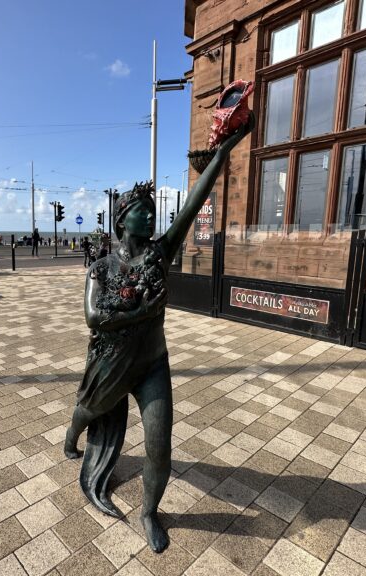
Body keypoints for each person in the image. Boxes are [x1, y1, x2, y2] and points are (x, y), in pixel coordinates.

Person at [63, 117, 254, 553]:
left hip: (151, 365)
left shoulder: (159, 252)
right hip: (109, 365)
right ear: (122, 221)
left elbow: (193, 201)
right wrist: (144, 309)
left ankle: (149, 512)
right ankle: (71, 437)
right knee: (86, 409)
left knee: (159, 447)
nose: (150, 216)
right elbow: (94, 319)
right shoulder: (102, 268)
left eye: (152, 211)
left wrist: (224, 152)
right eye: (141, 211)